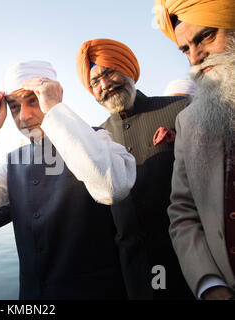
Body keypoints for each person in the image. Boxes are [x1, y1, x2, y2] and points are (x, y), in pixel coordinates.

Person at [0, 60, 136, 299]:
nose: (24, 117)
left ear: (55, 95)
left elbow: (112, 188)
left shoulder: (96, 140)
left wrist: (54, 110)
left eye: (33, 100)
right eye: (15, 107)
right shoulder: (14, 161)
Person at [75, 38, 193, 300]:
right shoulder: (97, 138)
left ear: (128, 68)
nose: (104, 85)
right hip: (132, 272)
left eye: (109, 72)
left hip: (187, 262)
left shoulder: (180, 110)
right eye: (95, 82)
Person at [155, 0, 235, 299]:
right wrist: (209, 285)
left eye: (206, 37)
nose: (195, 58)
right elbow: (182, 212)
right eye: (185, 49)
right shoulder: (189, 121)